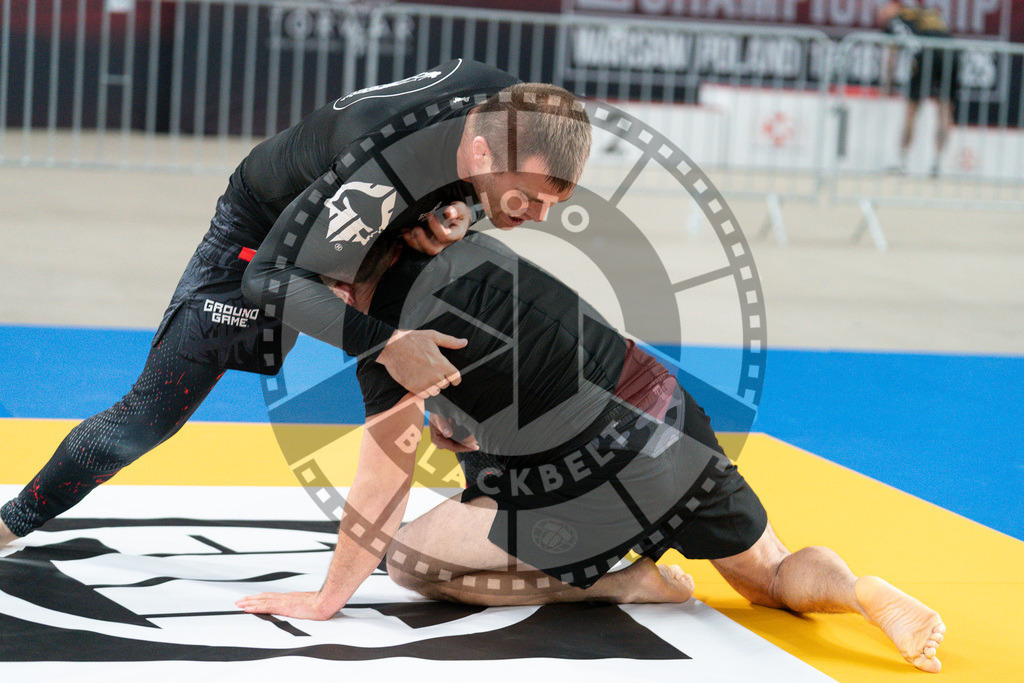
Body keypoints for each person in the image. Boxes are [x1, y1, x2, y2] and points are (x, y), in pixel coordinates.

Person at [236, 229, 946, 674]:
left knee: (409, 560)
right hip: (666, 413)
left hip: (594, 473)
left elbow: (381, 484)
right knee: (773, 576)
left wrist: (330, 597)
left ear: (338, 285)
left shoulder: (389, 339)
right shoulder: (471, 251)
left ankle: (622, 583)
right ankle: (857, 592)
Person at [0, 60, 591, 548]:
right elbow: (269, 278)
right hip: (265, 235)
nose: (540, 217)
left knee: (471, 340)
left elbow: (464, 187)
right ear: (484, 153)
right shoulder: (380, 165)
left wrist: (460, 210)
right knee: (153, 411)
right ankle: (12, 522)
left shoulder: (513, 109)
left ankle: (500, 523)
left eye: (550, 202)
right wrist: (387, 345)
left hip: (379, 222)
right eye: (529, 197)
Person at [878, 0, 959, 176]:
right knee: (945, 109)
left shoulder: (896, 21)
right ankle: (937, 164)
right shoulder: (924, 13)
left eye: (884, 8)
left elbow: (892, 55)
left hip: (925, 56)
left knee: (912, 110)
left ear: (894, 7)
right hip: (951, 54)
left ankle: (902, 161)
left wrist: (888, 82)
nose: (881, 12)